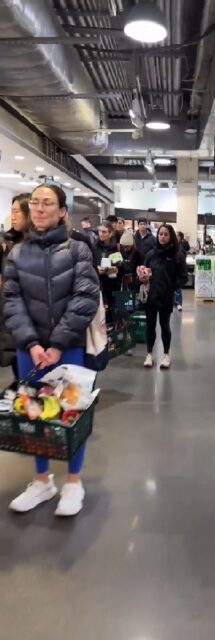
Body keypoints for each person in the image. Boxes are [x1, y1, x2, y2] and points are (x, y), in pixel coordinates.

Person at [3, 184, 99, 517]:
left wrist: (57, 344)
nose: (40, 209)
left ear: (62, 211)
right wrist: (33, 343)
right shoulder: (16, 255)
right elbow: (12, 301)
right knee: (34, 414)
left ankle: (74, 483)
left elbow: (85, 298)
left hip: (68, 348)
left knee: (71, 415)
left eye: (48, 203)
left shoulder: (78, 250)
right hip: (30, 349)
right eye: (35, 203)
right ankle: (42, 481)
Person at [141, 224, 187, 370]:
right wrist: (142, 277)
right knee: (150, 326)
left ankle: (166, 354)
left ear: (171, 236)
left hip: (166, 297)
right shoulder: (151, 254)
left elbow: (183, 277)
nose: (162, 237)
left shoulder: (177, 255)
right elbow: (144, 271)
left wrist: (171, 287)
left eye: (166, 234)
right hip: (150, 296)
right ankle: (149, 354)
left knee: (164, 326)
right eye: (160, 234)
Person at [0, 194, 31, 376]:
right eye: (11, 212)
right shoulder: (8, 243)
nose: (12, 216)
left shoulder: (37, 246)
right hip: (10, 320)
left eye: (16, 212)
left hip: (33, 325)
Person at [94, 221, 120, 320]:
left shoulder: (115, 248)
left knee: (111, 314)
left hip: (112, 285)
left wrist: (114, 269)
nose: (101, 234)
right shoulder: (95, 246)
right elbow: (90, 264)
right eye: (100, 231)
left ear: (110, 233)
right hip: (98, 285)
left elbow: (121, 266)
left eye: (104, 232)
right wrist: (96, 269)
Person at [175, 231, 190, 311]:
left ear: (180, 237)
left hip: (179, 267)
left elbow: (187, 250)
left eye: (176, 236)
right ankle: (175, 303)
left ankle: (179, 303)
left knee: (178, 287)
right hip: (173, 268)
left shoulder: (183, 245)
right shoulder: (173, 245)